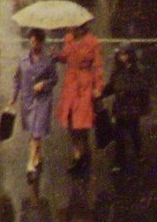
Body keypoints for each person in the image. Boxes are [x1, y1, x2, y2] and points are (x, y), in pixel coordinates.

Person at [9, 28, 58, 181]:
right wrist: (13, 97)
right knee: (34, 129)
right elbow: (17, 79)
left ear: (41, 42)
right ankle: (37, 153)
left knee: (36, 130)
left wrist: (43, 84)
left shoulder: (48, 60)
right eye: (31, 40)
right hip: (28, 99)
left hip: (43, 100)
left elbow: (54, 79)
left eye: (36, 41)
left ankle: (30, 162)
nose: (33, 44)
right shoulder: (23, 59)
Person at [55, 21, 103, 173]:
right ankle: (79, 152)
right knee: (71, 121)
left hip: (85, 84)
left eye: (72, 25)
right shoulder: (68, 39)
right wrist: (57, 56)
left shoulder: (92, 42)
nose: (69, 28)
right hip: (71, 85)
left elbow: (97, 66)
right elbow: (66, 57)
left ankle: (81, 156)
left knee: (82, 122)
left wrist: (98, 87)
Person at [102, 44, 150, 172]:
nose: (121, 57)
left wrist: (128, 92)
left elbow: (142, 89)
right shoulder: (117, 71)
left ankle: (138, 152)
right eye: (120, 54)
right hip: (119, 108)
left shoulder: (137, 70)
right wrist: (101, 93)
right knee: (119, 135)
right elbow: (111, 87)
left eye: (124, 54)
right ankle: (119, 160)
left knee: (134, 131)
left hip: (132, 107)